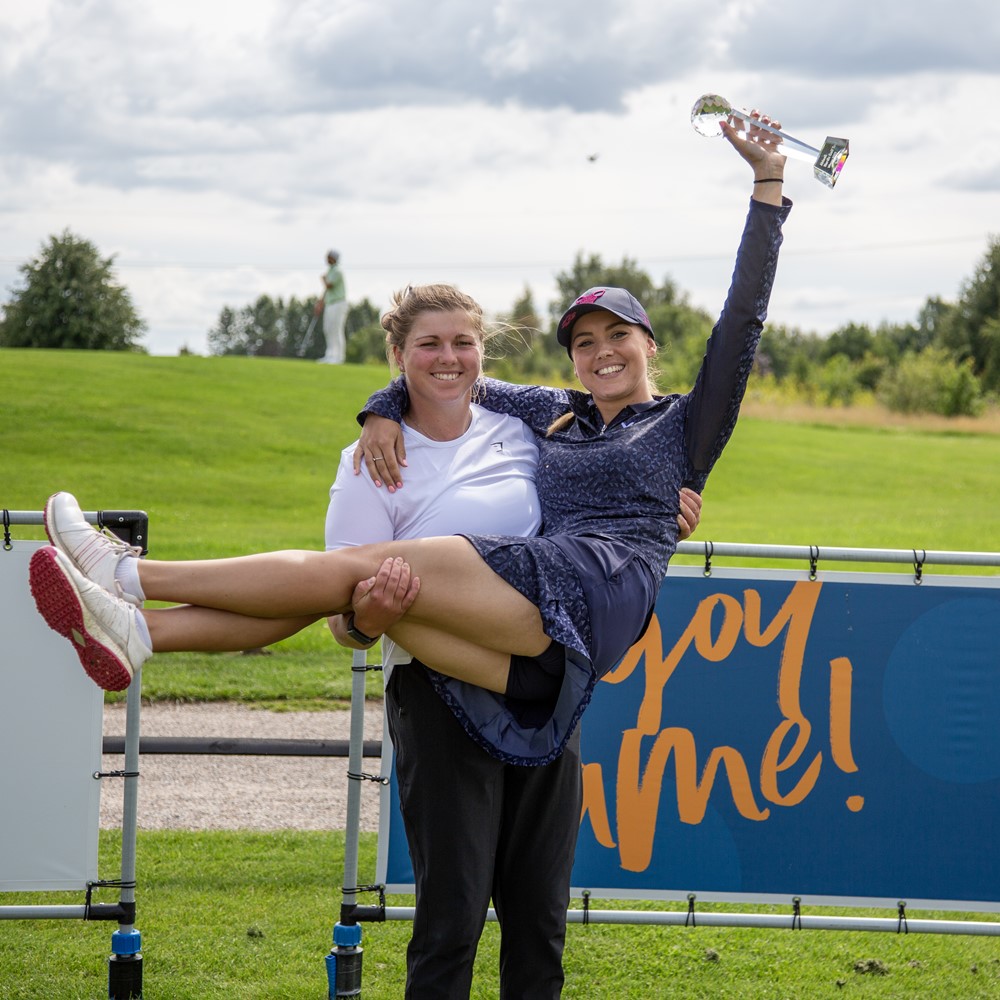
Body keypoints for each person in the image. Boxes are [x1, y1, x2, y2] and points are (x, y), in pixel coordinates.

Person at [28, 110, 789, 772]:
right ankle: (141, 635)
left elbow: (742, 324)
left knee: (355, 566)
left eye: (617, 335)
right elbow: (452, 377)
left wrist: (766, 188)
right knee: (352, 589)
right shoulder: (559, 412)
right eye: (584, 342)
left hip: (588, 586)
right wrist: (383, 404)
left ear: (649, 344)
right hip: (542, 634)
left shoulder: (686, 423)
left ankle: (129, 575)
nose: (602, 353)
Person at [323, 283, 703, 999]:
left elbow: (603, 475)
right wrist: (378, 408)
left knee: (538, 925)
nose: (449, 359)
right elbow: (340, 616)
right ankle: (144, 599)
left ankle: (141, 598)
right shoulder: (370, 456)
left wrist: (658, 505)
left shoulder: (529, 425)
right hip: (438, 688)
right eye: (426, 346)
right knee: (450, 921)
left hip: (542, 688)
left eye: (462, 342)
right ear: (399, 356)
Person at [319, 249, 347, 364]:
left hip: (338, 303)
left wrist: (324, 279)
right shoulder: (330, 271)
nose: (326, 258)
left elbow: (329, 285)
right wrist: (320, 302)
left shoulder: (337, 271)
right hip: (330, 303)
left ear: (333, 258)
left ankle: (339, 357)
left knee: (336, 329)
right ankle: (329, 355)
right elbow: (326, 290)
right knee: (328, 329)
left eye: (328, 256)